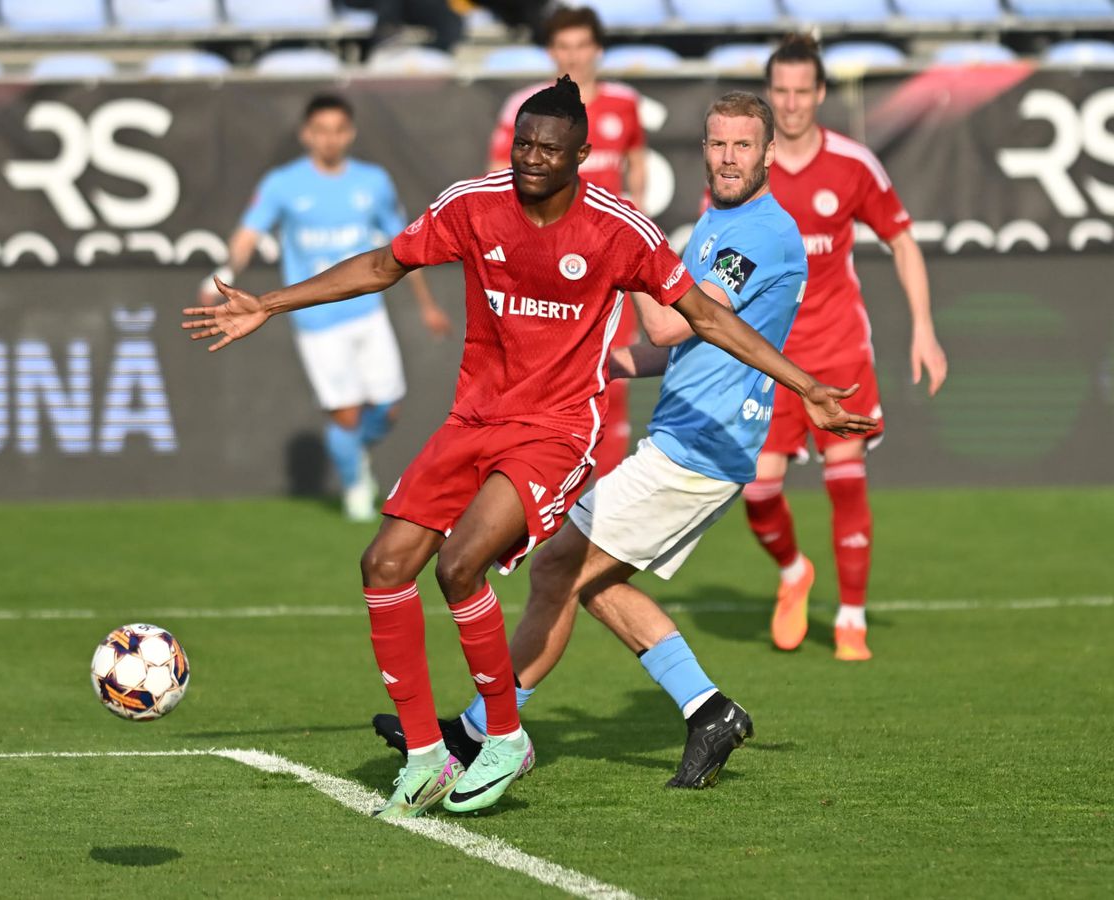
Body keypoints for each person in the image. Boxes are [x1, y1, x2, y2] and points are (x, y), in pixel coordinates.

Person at [185, 77, 871, 818]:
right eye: (524, 144)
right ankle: (433, 751)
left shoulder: (633, 228)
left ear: (583, 154)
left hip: (568, 433)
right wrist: (270, 303)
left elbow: (698, 318)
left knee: (474, 566)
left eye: (550, 147)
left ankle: (498, 732)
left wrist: (805, 385)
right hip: (477, 419)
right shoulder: (475, 204)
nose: (532, 158)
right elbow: (386, 263)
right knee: (393, 564)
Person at [373, 91, 851, 788]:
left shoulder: (761, 234)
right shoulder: (722, 222)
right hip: (683, 434)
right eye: (717, 144)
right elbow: (674, 343)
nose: (727, 158)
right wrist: (609, 360)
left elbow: (672, 322)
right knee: (572, 575)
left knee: (560, 570)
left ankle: (488, 730)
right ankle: (702, 710)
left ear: (770, 154)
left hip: (701, 447)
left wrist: (616, 241)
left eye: (743, 146)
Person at [750, 34, 948, 661]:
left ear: (821, 93)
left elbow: (904, 241)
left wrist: (923, 327)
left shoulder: (853, 163)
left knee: (845, 478)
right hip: (769, 355)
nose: (790, 103)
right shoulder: (748, 163)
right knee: (757, 494)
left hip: (838, 349)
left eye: (802, 91)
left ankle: (852, 619)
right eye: (779, 91)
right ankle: (792, 574)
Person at [199, 94, 451, 522]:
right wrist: (220, 275)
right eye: (321, 131)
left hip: (368, 312)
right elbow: (246, 237)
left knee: (388, 406)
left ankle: (355, 457)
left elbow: (406, 249)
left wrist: (427, 306)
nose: (330, 139)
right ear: (306, 135)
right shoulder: (283, 184)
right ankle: (355, 487)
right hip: (317, 320)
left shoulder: (373, 182)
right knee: (346, 413)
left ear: (349, 133)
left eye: (338, 130)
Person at [488, 5, 648, 479]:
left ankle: (602, 500)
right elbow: (498, 178)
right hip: (544, 268)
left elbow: (637, 159)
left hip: (607, 268)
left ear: (597, 50)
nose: (573, 56)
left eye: (581, 46)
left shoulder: (623, 103)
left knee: (611, 376)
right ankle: (535, 487)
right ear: (549, 51)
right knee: (536, 381)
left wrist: (634, 209)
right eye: (563, 47)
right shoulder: (526, 107)